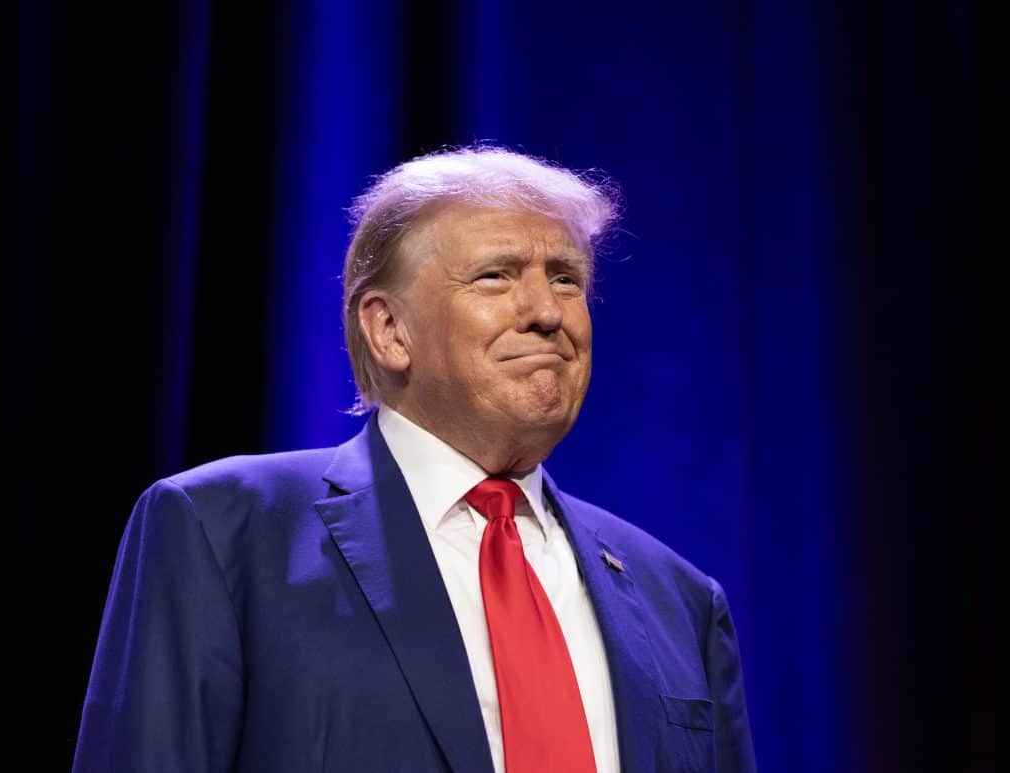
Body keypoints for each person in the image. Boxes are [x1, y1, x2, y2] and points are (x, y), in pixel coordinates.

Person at [73, 147, 757, 772]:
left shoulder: (681, 600)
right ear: (390, 329)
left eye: (567, 279)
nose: (547, 311)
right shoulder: (222, 533)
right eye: (496, 277)